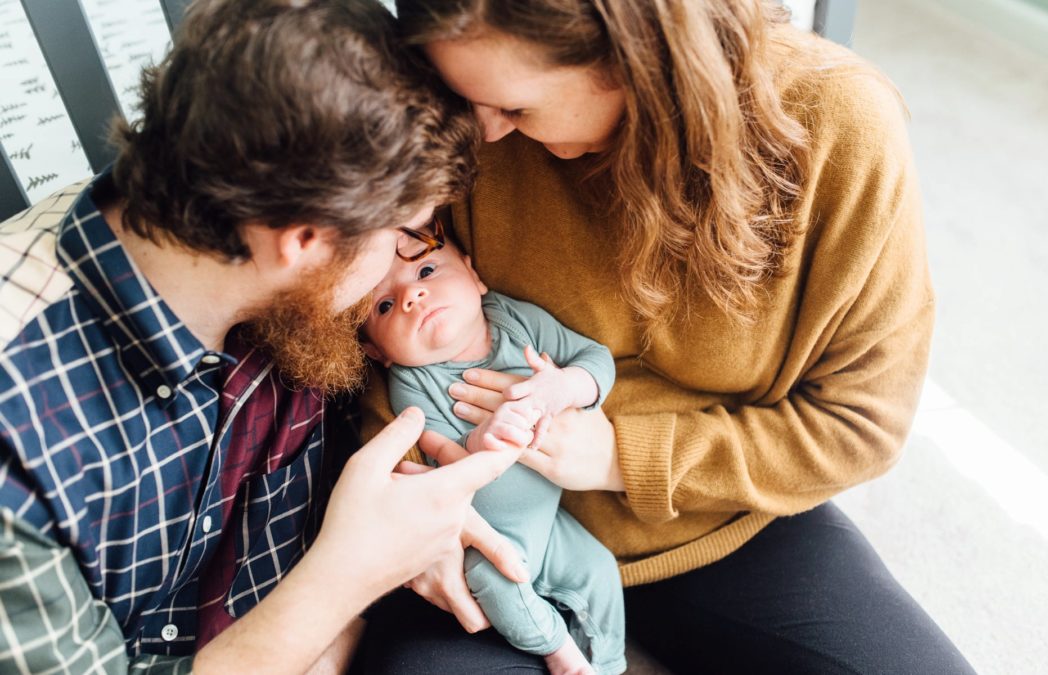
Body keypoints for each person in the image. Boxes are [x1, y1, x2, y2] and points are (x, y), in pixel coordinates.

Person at [355, 0, 979, 673]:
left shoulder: (838, 126)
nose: (483, 134)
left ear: (632, 57)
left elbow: (860, 422)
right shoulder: (465, 110)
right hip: (484, 532)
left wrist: (621, 457)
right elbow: (359, 331)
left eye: (515, 109)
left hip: (720, 525)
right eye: (466, 100)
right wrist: (412, 506)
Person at [0, 1, 528, 673]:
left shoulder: (251, 272)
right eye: (401, 236)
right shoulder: (20, 436)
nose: (404, 260)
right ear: (304, 242)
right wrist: (350, 572)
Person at [360, 230, 625, 675]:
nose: (412, 296)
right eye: (384, 305)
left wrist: (565, 386)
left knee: (599, 570)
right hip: (490, 530)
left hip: (551, 518)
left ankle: (612, 665)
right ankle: (560, 653)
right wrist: (485, 438)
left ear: (474, 274)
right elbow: (443, 454)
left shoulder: (511, 318)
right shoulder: (411, 382)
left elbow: (593, 356)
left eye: (426, 270)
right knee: (498, 582)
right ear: (377, 351)